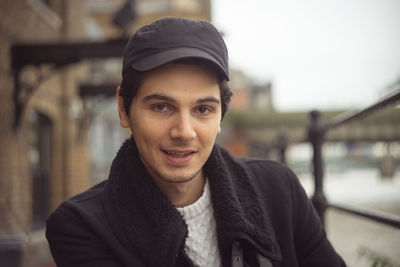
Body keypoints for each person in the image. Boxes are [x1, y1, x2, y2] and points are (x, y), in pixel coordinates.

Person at [46, 17, 346, 267]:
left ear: (220, 118)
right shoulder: (80, 226)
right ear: (124, 109)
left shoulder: (279, 188)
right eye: (161, 107)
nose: (185, 131)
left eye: (203, 110)